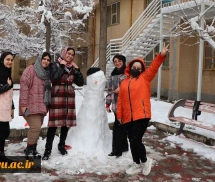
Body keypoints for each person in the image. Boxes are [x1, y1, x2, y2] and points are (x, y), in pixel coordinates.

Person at [117, 43, 169, 176]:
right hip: (128, 116)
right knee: (131, 140)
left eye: (138, 68)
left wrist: (161, 55)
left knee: (136, 139)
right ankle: (136, 163)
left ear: (141, 70)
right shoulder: (124, 82)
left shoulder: (145, 79)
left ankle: (145, 161)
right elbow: (121, 100)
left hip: (142, 114)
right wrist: (119, 115)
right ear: (130, 68)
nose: (136, 69)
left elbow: (154, 67)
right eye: (134, 67)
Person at [42, 47, 84, 160]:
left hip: (69, 97)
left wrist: (78, 69)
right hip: (57, 96)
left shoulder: (73, 69)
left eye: (72, 55)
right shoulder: (55, 65)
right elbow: (55, 78)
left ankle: (61, 145)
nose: (70, 56)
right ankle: (48, 150)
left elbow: (80, 83)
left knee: (66, 124)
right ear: (64, 53)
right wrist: (62, 66)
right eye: (68, 54)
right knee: (53, 125)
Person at [66, 67, 111, 158]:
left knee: (91, 122)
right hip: (95, 102)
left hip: (92, 101)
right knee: (95, 123)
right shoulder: (101, 76)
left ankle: (87, 142)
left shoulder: (94, 77)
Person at [19, 52, 52, 160]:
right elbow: (24, 88)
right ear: (40, 59)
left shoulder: (47, 73)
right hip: (28, 107)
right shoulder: (30, 70)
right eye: (44, 59)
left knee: (37, 127)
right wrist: (23, 105)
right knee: (35, 127)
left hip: (41, 106)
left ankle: (33, 148)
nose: (46, 61)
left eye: (48, 60)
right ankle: (29, 149)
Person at [105, 54, 128, 158]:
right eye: (115, 61)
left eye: (119, 61)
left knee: (119, 127)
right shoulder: (113, 74)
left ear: (123, 61)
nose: (117, 63)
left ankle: (118, 149)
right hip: (115, 105)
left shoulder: (128, 74)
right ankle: (122, 147)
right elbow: (110, 91)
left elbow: (132, 88)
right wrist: (107, 104)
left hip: (125, 105)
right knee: (119, 127)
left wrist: (122, 89)